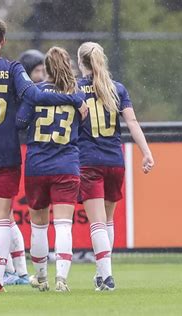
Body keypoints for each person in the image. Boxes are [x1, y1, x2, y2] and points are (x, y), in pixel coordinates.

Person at [0, 17, 88, 293]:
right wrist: (72, 99)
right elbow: (33, 95)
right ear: (3, 41)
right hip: (6, 153)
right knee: (3, 218)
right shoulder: (13, 68)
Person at [76, 42, 154, 291]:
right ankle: (101, 274)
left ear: (80, 62)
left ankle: (107, 277)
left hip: (88, 161)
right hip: (114, 161)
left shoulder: (75, 88)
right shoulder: (116, 88)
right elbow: (132, 122)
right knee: (108, 221)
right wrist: (146, 152)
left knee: (97, 222)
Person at [17, 47, 82, 292]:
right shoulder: (76, 95)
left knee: (39, 225)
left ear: (46, 69)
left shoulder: (35, 93)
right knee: (64, 224)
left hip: (38, 164)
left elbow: (20, 123)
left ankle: (41, 276)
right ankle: (61, 279)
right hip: (66, 163)